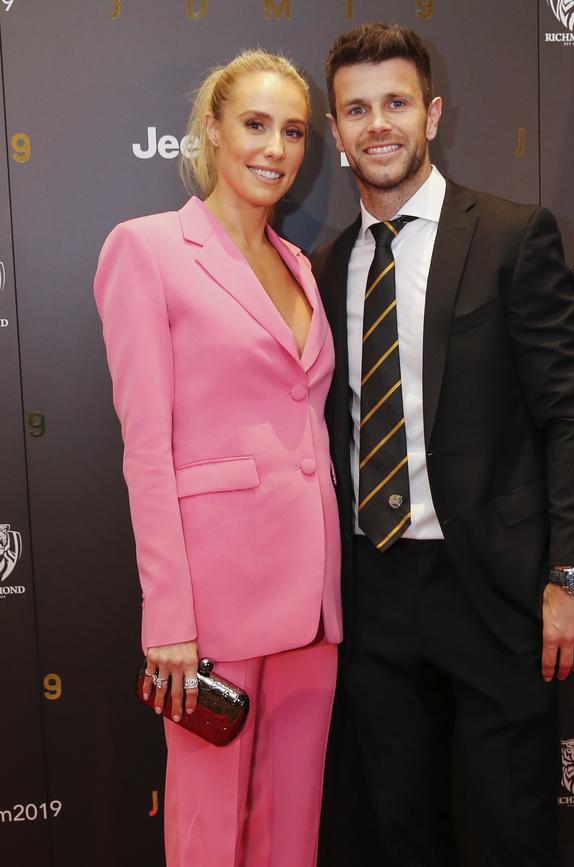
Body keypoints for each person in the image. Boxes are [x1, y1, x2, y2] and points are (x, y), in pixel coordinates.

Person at [312, 22, 574, 867]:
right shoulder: (325, 262)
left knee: (512, 826)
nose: (379, 124)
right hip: (373, 588)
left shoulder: (515, 234)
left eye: (397, 102)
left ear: (432, 113)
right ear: (336, 133)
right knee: (401, 826)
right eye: (358, 109)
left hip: (493, 585)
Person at [94, 50, 342, 867]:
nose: (276, 148)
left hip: (310, 602)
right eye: (256, 124)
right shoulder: (148, 249)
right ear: (212, 130)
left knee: (292, 827)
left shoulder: (299, 265)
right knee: (206, 832)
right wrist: (167, 616)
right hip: (212, 606)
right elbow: (146, 450)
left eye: (294, 131)